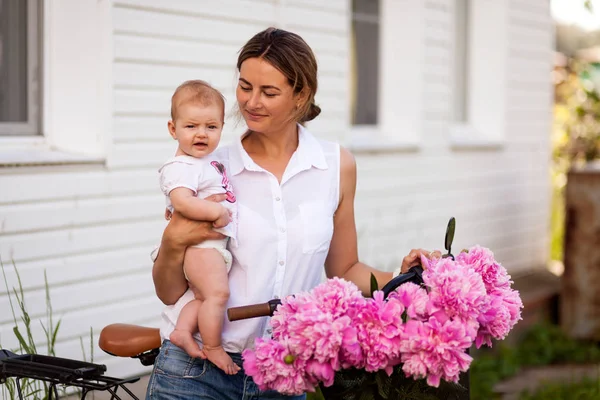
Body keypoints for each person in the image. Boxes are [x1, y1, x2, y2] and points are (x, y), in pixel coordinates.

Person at [146, 27, 439, 400]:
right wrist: (172, 242)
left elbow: (345, 271)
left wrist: (407, 277)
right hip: (196, 371)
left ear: (301, 95)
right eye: (245, 86)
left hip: (281, 373)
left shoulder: (335, 166)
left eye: (269, 92)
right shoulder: (208, 165)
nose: (251, 102)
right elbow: (169, 290)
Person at [158, 80, 240, 375]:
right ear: (173, 129)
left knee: (203, 298)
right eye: (191, 126)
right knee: (217, 295)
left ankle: (182, 330)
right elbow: (182, 201)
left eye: (211, 127)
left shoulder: (206, 161)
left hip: (211, 248)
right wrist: (216, 211)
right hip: (200, 246)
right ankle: (213, 347)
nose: (201, 134)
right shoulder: (181, 166)